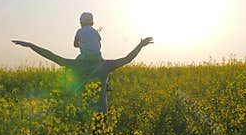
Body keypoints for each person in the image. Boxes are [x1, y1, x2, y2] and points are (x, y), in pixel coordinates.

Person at [12, 37, 153, 113]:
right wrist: (140, 46)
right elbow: (127, 59)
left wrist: (31, 45)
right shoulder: (106, 66)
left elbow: (53, 57)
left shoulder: (76, 65)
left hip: (84, 113)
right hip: (101, 112)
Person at [73, 12, 113, 91]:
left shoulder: (79, 31)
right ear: (92, 23)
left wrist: (81, 45)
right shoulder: (95, 32)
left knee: (75, 66)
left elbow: (75, 44)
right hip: (97, 56)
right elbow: (99, 45)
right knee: (104, 68)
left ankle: (77, 83)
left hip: (85, 56)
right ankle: (106, 84)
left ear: (81, 22)